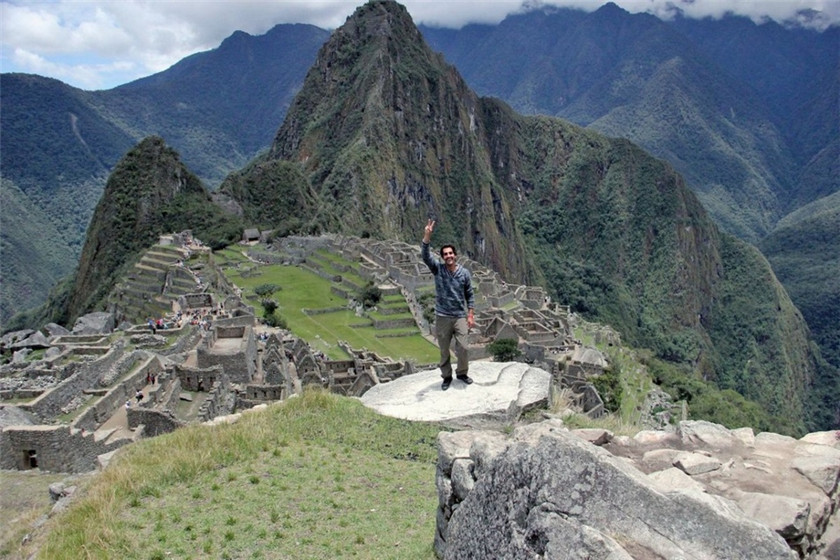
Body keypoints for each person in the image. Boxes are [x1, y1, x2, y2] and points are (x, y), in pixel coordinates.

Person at [421, 219, 475, 390]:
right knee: (444, 350)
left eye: (451, 253)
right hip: (443, 316)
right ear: (443, 257)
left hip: (459, 315)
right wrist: (427, 236)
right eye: (445, 254)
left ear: (455, 255)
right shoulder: (438, 269)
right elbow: (425, 256)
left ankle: (462, 372)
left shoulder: (464, 273)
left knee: (464, 347)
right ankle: (446, 376)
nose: (448, 256)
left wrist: (471, 314)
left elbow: (469, 294)